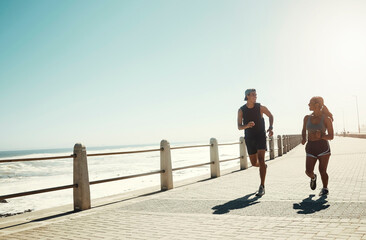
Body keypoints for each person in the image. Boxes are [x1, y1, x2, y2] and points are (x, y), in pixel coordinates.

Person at [237, 89, 274, 196]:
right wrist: (246, 126)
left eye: (256, 95)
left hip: (260, 136)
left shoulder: (260, 107)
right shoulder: (241, 110)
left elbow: (270, 116)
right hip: (249, 138)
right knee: (254, 163)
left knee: (261, 159)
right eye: (253, 95)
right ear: (247, 96)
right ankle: (263, 167)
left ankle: (262, 186)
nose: (255, 96)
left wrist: (270, 128)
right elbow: (239, 127)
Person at [301, 96, 334, 196]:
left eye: (310, 103)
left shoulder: (326, 119)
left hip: (323, 147)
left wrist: (322, 136)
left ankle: (325, 188)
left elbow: (331, 136)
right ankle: (313, 177)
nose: (308, 105)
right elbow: (303, 130)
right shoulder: (307, 118)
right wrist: (303, 138)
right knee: (308, 171)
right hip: (311, 146)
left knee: (322, 170)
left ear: (316, 105)